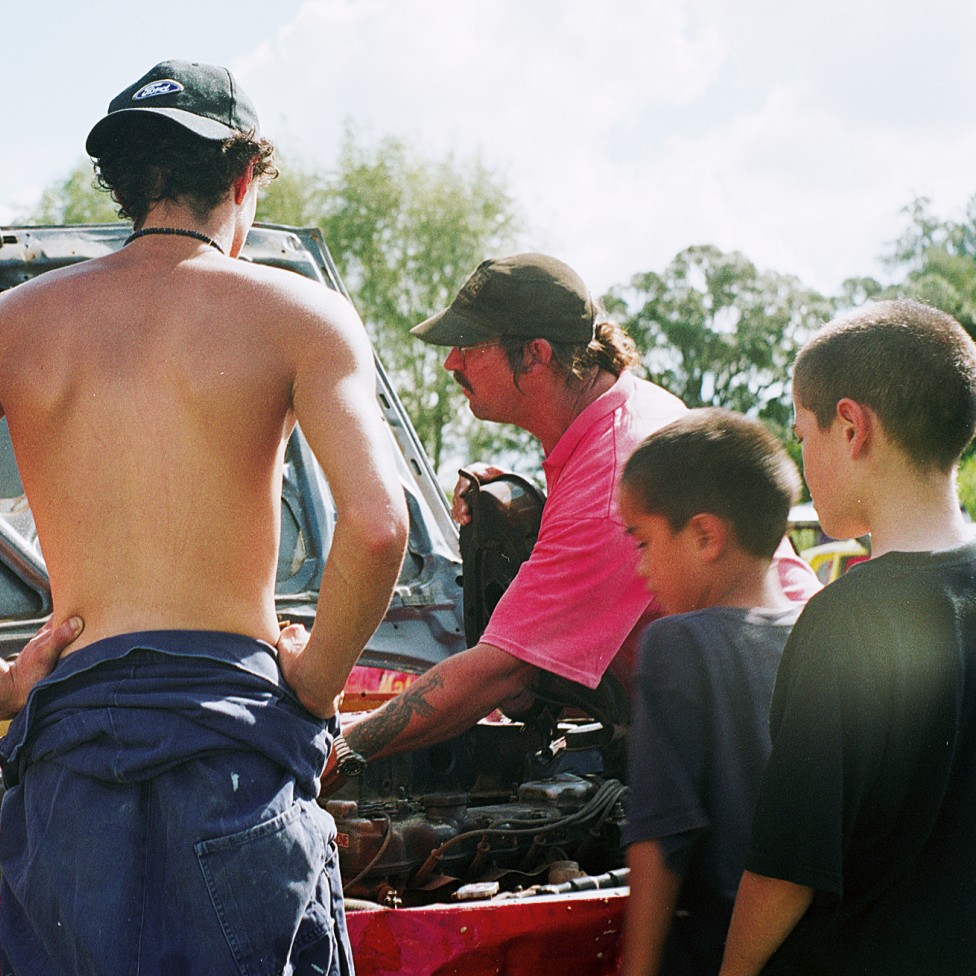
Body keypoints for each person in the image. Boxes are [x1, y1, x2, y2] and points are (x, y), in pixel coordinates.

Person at [0, 59, 409, 976]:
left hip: (69, 772)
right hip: (233, 755)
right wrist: (310, 678)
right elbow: (378, 526)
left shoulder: (14, 324)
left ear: (127, 184)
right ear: (246, 181)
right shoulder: (296, 316)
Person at [339, 254, 818, 771]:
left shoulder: (611, 474)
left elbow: (502, 672)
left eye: (470, 346)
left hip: (767, 744)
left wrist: (344, 746)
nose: (452, 362)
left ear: (535, 355)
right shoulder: (620, 411)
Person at [717, 301, 976, 976]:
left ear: (852, 426)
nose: (802, 459)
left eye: (803, 434)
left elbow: (788, 865)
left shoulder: (845, 622)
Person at [596, 409, 806, 976]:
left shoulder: (677, 643)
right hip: (807, 971)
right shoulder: (820, 632)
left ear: (705, 536)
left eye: (641, 540)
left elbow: (661, 836)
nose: (640, 566)